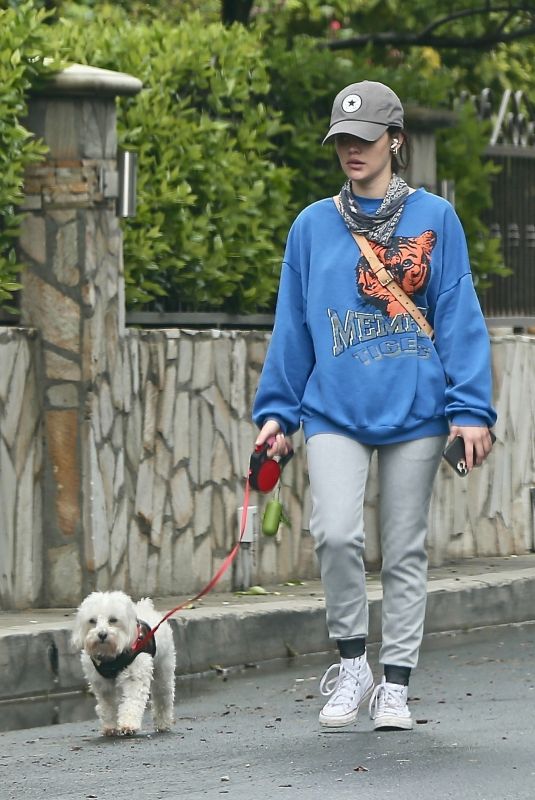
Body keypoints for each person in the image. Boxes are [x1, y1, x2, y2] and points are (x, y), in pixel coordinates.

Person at [251, 80, 496, 731]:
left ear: (394, 141)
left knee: (404, 547)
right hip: (332, 407)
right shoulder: (311, 226)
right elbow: (293, 328)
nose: (351, 151)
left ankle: (395, 684)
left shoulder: (434, 219)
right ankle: (352, 662)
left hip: (415, 410)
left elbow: (458, 315)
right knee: (333, 532)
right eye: (341, 141)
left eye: (363, 140)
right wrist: (277, 414)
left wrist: (470, 409)